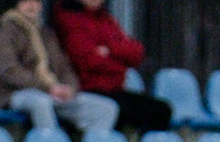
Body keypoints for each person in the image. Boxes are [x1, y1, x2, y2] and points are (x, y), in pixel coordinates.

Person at [0, 0, 118, 134]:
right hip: (15, 93)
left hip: (53, 91)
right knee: (41, 102)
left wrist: (69, 88)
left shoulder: (46, 34)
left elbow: (63, 67)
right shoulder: (6, 32)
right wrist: (48, 88)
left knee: (106, 108)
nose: (32, 6)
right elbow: (9, 71)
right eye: (26, 1)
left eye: (36, 2)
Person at [52, 0, 173, 132]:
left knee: (162, 110)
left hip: (114, 89)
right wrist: (121, 64)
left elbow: (137, 52)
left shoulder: (105, 18)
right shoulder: (69, 19)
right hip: (90, 88)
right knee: (124, 111)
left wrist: (110, 50)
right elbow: (88, 60)